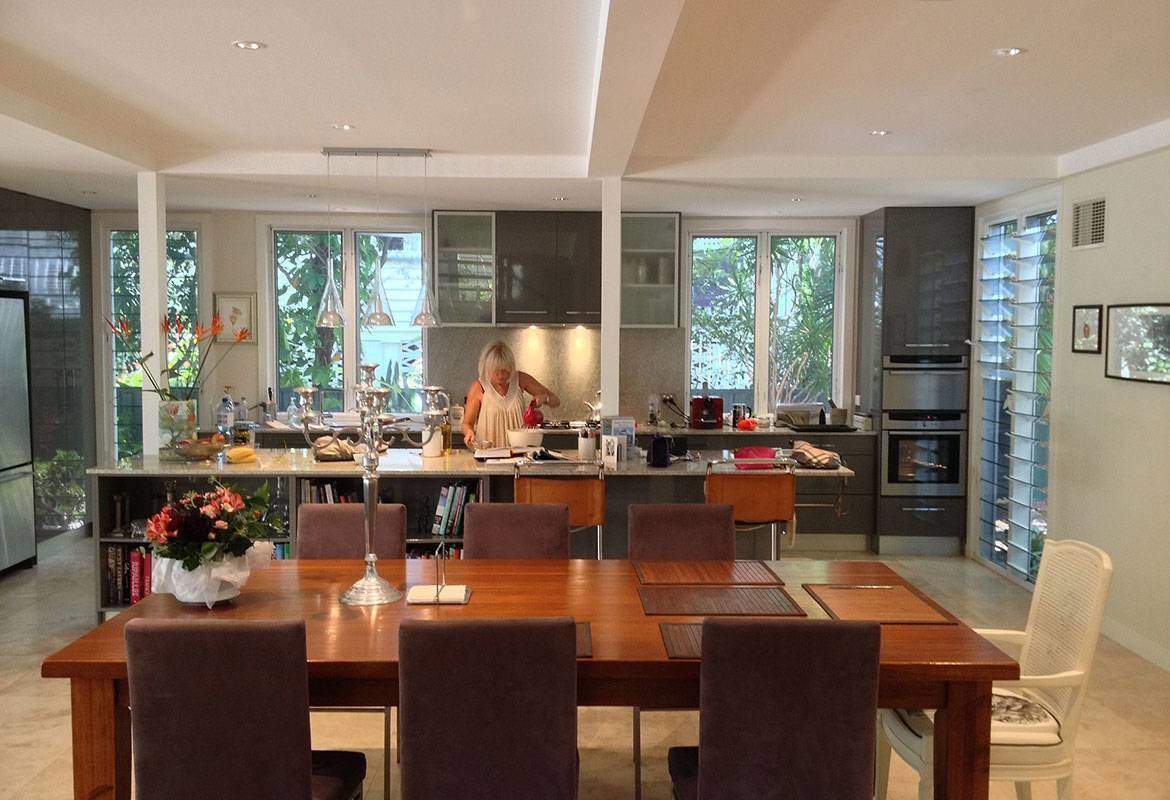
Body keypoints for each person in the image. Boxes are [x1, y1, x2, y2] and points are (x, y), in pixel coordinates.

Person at [462, 340, 560, 448]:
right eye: (496, 371)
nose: (501, 375)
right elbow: (467, 424)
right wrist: (469, 432)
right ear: (487, 368)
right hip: (488, 452)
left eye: (505, 370)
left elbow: (556, 401)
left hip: (520, 452)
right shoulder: (479, 387)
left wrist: (545, 398)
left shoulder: (520, 379)